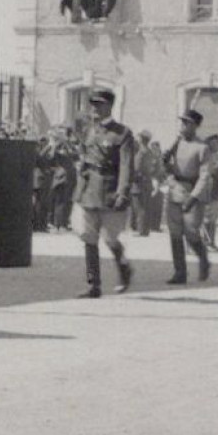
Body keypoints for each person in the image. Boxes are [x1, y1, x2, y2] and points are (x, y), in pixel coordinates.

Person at [73, 88, 135, 298]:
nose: (94, 108)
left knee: (110, 239)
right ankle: (94, 285)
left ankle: (123, 267)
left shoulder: (122, 133)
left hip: (109, 190)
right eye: (93, 104)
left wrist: (122, 192)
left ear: (109, 106)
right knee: (88, 236)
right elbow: (85, 157)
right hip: (89, 190)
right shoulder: (90, 130)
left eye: (99, 104)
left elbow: (126, 166)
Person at [160, 110, 212, 284]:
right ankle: (180, 272)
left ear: (195, 126)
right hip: (175, 189)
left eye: (186, 123)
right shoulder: (176, 144)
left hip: (191, 191)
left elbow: (205, 175)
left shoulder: (202, 147)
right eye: (182, 122)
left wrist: (194, 196)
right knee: (175, 233)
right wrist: (165, 162)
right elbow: (167, 169)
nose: (182, 125)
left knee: (191, 232)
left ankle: (203, 258)